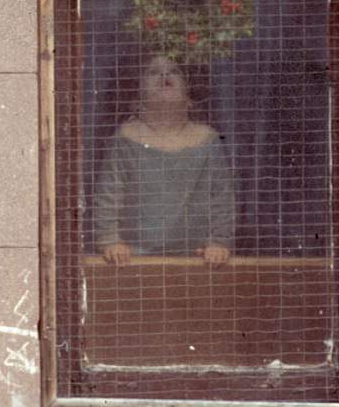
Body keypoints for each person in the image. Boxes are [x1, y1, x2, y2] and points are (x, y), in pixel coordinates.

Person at [94, 54, 235, 266]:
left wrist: (219, 242)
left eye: (174, 71)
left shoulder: (207, 139)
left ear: (190, 98)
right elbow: (108, 195)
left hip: (197, 257)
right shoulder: (124, 138)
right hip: (133, 256)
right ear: (136, 98)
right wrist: (110, 240)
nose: (165, 75)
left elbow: (221, 197)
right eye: (153, 72)